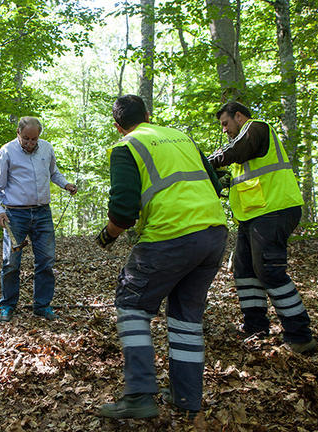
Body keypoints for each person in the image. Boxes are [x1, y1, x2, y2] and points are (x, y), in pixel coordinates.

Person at [96, 95, 227, 424]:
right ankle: (187, 399)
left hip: (171, 235)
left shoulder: (126, 146)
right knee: (185, 317)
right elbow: (214, 183)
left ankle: (139, 395)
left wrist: (107, 236)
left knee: (131, 303)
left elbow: (123, 211)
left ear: (117, 125)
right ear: (149, 115)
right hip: (213, 233)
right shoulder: (182, 137)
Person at [208, 101, 315, 354]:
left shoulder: (257, 128)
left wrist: (207, 162)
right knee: (245, 271)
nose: (224, 130)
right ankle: (255, 327)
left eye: (226, 123)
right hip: (252, 217)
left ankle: (300, 335)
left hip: (275, 211)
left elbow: (237, 151)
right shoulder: (241, 150)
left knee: (269, 270)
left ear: (239, 116)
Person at [0, 117, 77, 322]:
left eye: (34, 139)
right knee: (11, 262)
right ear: (18, 133)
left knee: (46, 260)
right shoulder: (6, 152)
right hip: (14, 213)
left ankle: (42, 305)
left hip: (42, 212)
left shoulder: (46, 149)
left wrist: (66, 185)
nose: (30, 143)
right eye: (26, 138)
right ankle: (8, 305)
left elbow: (53, 173)